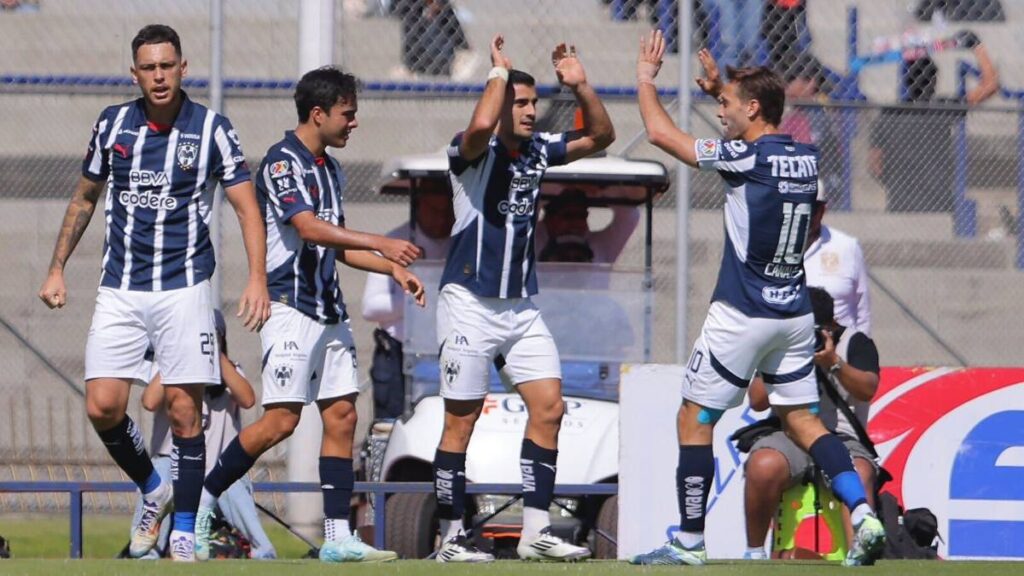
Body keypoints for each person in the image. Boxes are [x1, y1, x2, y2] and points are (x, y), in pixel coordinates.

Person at [629, 30, 884, 566]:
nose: (719, 111)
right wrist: (725, 90)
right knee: (806, 422)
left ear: (753, 108)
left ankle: (690, 543)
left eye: (724, 105)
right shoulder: (806, 158)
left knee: (694, 418)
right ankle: (862, 514)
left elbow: (659, 133)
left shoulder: (746, 160)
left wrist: (646, 79)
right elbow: (758, 128)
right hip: (792, 315)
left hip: (742, 313)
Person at [37, 24, 271, 561]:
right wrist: (57, 268)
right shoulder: (113, 124)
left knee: (187, 414)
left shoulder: (211, 128)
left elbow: (245, 206)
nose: (160, 76)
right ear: (135, 73)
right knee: (102, 405)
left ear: (183, 67)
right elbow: (84, 197)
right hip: (119, 287)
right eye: (149, 67)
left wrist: (256, 277)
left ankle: (184, 531)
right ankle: (154, 488)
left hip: (184, 288)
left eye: (168, 66)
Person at [192, 66, 425, 564]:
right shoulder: (282, 163)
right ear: (318, 113)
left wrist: (390, 268)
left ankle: (337, 537)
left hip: (329, 311)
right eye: (348, 114)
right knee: (280, 421)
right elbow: (309, 228)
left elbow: (338, 245)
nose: (353, 123)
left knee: (342, 415)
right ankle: (201, 502)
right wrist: (380, 240)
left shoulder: (330, 168)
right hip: (290, 309)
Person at [432, 35, 614, 563]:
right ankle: (449, 538)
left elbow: (601, 135)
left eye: (535, 102)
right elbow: (482, 126)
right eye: (522, 103)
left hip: (519, 306)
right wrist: (496, 74)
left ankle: (536, 531)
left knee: (549, 407)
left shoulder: (538, 151)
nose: (533, 112)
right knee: (460, 422)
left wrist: (579, 87)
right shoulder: (471, 152)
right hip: (468, 301)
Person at [743, 287, 881, 558]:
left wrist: (833, 362)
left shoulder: (856, 342)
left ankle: (860, 550)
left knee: (861, 471)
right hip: (791, 433)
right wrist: (790, 360)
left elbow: (867, 389)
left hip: (842, 435)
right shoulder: (783, 342)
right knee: (762, 465)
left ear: (831, 324)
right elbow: (757, 401)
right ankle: (755, 551)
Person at [130, 311, 276, 560]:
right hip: (175, 468)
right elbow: (149, 401)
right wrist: (176, 353)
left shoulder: (231, 371)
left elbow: (248, 399)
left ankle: (263, 552)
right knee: (160, 469)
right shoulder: (167, 371)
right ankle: (148, 552)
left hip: (215, 473)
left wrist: (213, 355)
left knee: (229, 475)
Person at [869, 32, 998, 212]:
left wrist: (898, 183)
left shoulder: (888, 114)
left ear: (906, 80)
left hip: (900, 203)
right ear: (934, 81)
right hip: (939, 202)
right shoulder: (942, 108)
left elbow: (875, 166)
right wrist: (978, 47)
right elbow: (990, 85)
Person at [361, 181, 454, 419]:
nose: (442, 220)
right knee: (391, 422)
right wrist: (424, 298)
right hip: (399, 350)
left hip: (451, 350)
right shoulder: (394, 243)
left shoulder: (463, 243)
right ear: (419, 206)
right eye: (435, 211)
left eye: (448, 212)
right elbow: (370, 307)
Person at [805, 185, 871, 335]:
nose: (805, 216)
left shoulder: (847, 247)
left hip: (838, 348)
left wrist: (859, 352)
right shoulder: (770, 247)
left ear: (822, 210)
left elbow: (863, 311)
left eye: (811, 209)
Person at [534, 188, 639, 264]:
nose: (577, 224)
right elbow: (526, 207)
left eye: (582, 216)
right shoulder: (528, 244)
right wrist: (563, 186)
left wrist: (597, 189)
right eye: (568, 216)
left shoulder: (601, 246)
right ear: (548, 218)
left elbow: (630, 215)